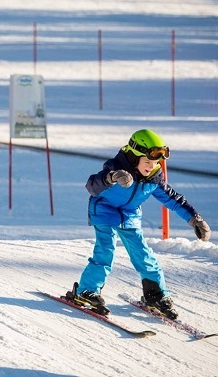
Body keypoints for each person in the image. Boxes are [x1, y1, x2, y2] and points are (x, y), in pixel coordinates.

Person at [70, 129, 211, 320]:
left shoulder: (153, 178)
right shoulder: (115, 168)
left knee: (142, 253)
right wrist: (111, 178)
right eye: (147, 162)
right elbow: (91, 186)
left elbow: (173, 199)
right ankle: (86, 290)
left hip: (129, 214)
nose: (151, 167)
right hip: (105, 210)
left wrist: (194, 218)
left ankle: (155, 294)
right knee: (105, 249)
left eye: (155, 163)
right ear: (134, 157)